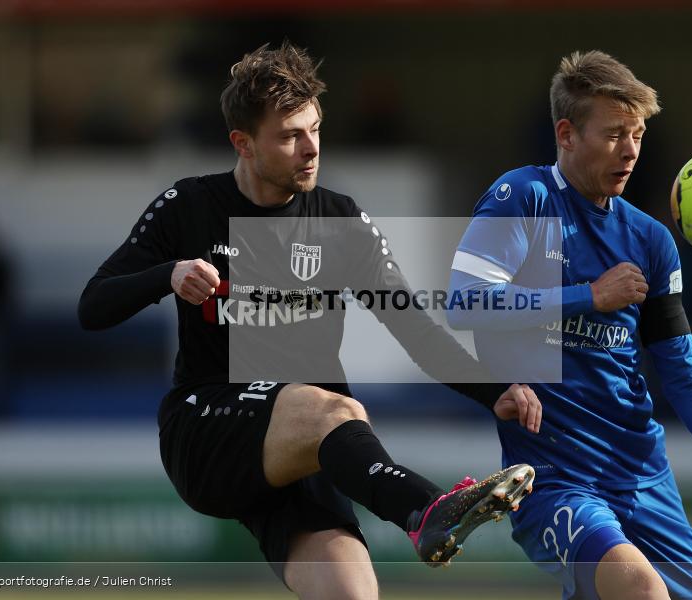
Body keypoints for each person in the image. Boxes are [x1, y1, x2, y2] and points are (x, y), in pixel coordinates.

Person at [78, 42, 538, 600]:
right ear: (242, 143)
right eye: (290, 135)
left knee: (353, 592)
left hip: (309, 443)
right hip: (209, 426)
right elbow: (94, 306)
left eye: (315, 128)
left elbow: (413, 328)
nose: (310, 147)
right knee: (333, 407)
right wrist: (166, 275)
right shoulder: (189, 206)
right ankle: (425, 508)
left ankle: (421, 511)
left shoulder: (339, 219)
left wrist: (494, 392)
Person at [446, 50, 692, 600]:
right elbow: (465, 304)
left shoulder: (650, 240)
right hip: (555, 481)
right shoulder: (522, 198)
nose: (630, 152)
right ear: (567, 134)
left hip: (644, 476)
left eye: (639, 135)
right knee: (642, 591)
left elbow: (685, 371)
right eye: (614, 135)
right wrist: (588, 296)